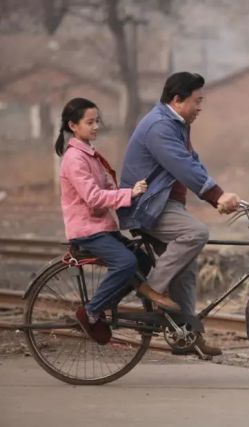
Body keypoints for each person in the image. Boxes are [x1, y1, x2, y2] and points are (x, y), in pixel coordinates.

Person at [119, 72, 241, 357]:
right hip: (146, 205)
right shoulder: (160, 127)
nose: (200, 107)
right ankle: (153, 287)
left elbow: (192, 162)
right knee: (196, 233)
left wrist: (219, 197)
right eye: (197, 101)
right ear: (177, 99)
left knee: (186, 270)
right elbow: (182, 166)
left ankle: (186, 335)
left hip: (163, 204)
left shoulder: (177, 124)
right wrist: (216, 194)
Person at [56, 97, 160, 345]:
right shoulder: (74, 159)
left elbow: (107, 187)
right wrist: (129, 194)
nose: (96, 127)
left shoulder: (89, 155)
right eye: (90, 122)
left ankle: (101, 306)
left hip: (102, 227)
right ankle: (91, 311)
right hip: (87, 230)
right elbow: (93, 197)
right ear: (73, 125)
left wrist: (133, 192)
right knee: (125, 262)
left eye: (97, 121)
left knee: (142, 262)